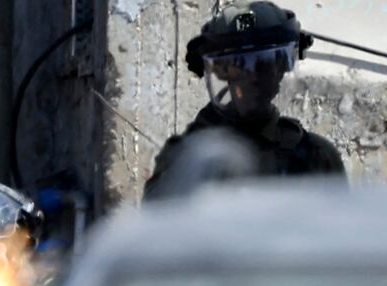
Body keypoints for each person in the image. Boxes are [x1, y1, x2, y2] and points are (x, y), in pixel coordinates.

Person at [144, 0, 346, 200]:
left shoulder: (315, 157)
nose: (253, 78)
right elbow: (160, 227)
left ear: (281, 71)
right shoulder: (185, 160)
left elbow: (340, 228)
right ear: (223, 73)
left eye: (264, 65)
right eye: (240, 66)